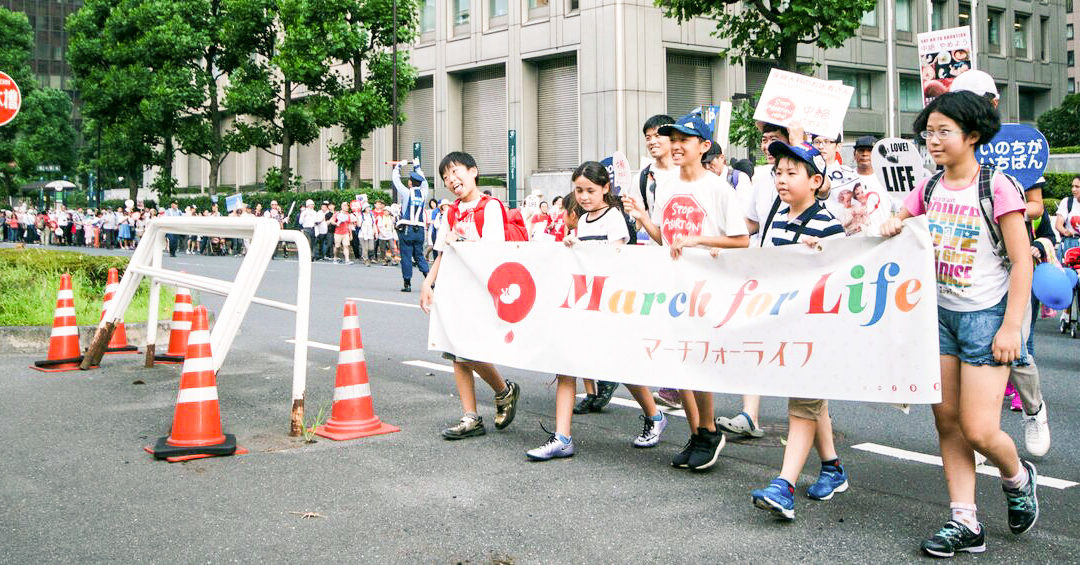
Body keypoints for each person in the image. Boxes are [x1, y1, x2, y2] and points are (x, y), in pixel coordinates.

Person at [880, 91, 1038, 558]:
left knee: (980, 429)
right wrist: (892, 224)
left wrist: (1012, 327)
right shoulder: (928, 189)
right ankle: (964, 520)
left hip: (987, 318)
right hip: (939, 317)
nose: (933, 140)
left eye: (943, 131)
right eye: (928, 132)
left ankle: (1017, 476)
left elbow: (1022, 261)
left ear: (972, 136)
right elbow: (894, 221)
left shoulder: (997, 186)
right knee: (947, 421)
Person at [623, 113, 749, 471]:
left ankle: (708, 431)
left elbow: (741, 240)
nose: (676, 146)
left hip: (707, 285)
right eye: (672, 139)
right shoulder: (665, 185)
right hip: (673, 284)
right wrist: (644, 219)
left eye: (685, 140)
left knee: (698, 358)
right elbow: (666, 237)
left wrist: (699, 240)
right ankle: (699, 434)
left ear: (704, 146)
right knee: (681, 359)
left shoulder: (718, 188)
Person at [526, 163, 669, 461]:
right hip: (584, 303)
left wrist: (583, 249)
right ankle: (562, 436)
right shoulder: (584, 220)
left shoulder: (614, 218)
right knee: (566, 366)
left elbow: (613, 259)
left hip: (610, 305)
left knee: (620, 366)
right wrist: (572, 244)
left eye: (590, 190)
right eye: (579, 191)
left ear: (606, 188)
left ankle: (654, 416)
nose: (585, 197)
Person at [952, 70, 1051, 458]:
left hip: (1010, 261)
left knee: (1016, 348)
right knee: (969, 351)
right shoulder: (956, 147)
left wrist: (1005, 205)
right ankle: (980, 428)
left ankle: (1033, 410)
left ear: (992, 104)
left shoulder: (1019, 148)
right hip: (965, 264)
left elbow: (1038, 204)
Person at [748, 140, 848, 521]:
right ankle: (833, 468)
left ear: (815, 180)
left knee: (803, 405)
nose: (782, 179)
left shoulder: (828, 224)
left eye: (792, 173)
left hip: (816, 331)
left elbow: (843, 276)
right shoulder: (778, 219)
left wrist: (824, 253)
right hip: (786, 327)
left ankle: (784, 486)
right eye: (778, 172)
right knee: (809, 400)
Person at [420, 151, 522, 440]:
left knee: (470, 350)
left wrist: (461, 239)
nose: (452, 180)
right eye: (446, 178)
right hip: (455, 289)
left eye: (456, 172)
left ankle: (504, 391)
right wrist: (428, 283)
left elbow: (493, 251)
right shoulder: (451, 211)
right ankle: (471, 416)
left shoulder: (490, 207)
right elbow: (443, 251)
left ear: (473, 171)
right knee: (456, 351)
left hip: (481, 290)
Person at [715, 121, 799, 441]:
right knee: (754, 339)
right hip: (763, 271)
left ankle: (813, 417)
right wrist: (721, 238)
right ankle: (750, 414)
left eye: (774, 139)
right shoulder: (762, 178)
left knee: (796, 346)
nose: (766, 146)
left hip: (795, 274)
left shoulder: (807, 176)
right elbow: (751, 222)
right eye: (763, 140)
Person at [392, 160, 431, 292]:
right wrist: (417, 166)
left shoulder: (407, 192)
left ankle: (407, 283)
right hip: (420, 229)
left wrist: (398, 166)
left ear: (410, 182)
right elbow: (424, 182)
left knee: (406, 256)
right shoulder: (424, 193)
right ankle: (430, 281)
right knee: (419, 255)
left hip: (407, 229)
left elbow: (396, 180)